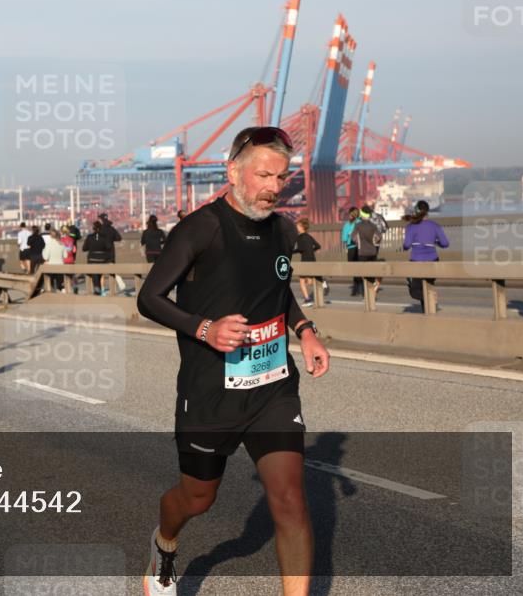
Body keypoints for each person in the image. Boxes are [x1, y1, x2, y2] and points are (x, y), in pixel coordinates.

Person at [137, 126, 330, 596]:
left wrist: (305, 331)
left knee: (291, 501)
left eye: (281, 177)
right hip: (211, 393)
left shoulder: (283, 229)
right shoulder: (201, 228)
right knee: (197, 498)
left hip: (272, 388)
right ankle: (164, 544)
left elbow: (277, 292)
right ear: (233, 172)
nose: (273, 187)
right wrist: (206, 329)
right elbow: (149, 298)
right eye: (263, 175)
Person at [403, 200, 449, 313]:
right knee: (428, 285)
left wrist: (407, 246)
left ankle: (429, 300)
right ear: (428, 211)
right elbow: (445, 243)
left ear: (416, 211)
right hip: (433, 261)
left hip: (417, 261)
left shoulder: (411, 226)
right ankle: (428, 312)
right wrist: (435, 242)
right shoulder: (435, 226)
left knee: (415, 290)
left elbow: (406, 245)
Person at [352, 206, 382, 294]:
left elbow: (353, 237)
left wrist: (358, 243)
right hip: (372, 252)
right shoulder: (373, 226)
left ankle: (366, 293)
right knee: (371, 272)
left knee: (363, 273)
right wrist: (374, 242)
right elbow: (378, 237)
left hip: (362, 252)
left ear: (362, 214)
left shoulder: (358, 225)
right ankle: (373, 289)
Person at [293, 218, 321, 307]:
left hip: (305, 260)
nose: (296, 228)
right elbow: (318, 246)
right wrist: (311, 250)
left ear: (302, 227)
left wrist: (292, 252)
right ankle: (322, 282)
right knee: (309, 281)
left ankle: (308, 300)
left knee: (302, 281)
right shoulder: (309, 236)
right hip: (312, 259)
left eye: (297, 226)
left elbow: (300, 248)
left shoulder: (299, 237)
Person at [82, 220, 113, 295]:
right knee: (99, 275)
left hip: (92, 260)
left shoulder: (90, 237)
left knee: (94, 275)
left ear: (93, 228)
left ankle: (96, 290)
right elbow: (109, 247)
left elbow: (84, 248)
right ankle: (98, 290)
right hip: (102, 260)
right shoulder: (104, 237)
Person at [341, 207, 363, 295]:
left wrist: (349, 236)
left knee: (353, 269)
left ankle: (355, 289)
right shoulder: (360, 223)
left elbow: (344, 239)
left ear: (352, 214)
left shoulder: (347, 225)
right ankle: (361, 287)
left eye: (349, 214)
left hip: (351, 248)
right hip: (360, 248)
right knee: (359, 268)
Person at [42, 223, 67, 292]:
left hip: (51, 267)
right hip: (60, 266)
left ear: (50, 235)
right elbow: (65, 256)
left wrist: (43, 250)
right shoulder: (61, 243)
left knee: (51, 283)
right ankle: (61, 291)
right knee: (60, 285)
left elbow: (45, 257)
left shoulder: (48, 244)